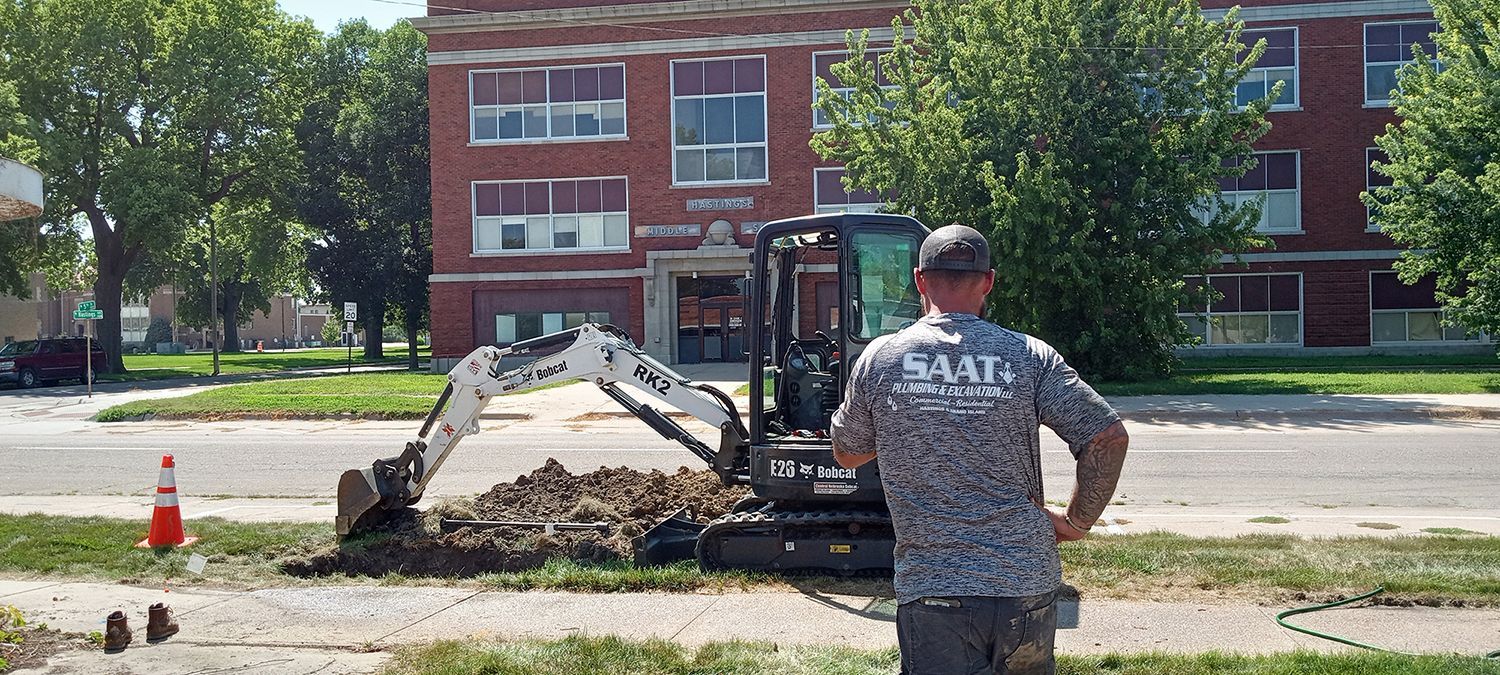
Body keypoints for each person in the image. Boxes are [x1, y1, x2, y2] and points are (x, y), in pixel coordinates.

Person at [830, 224, 1129, 675]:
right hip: (1024, 585)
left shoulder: (880, 358)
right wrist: (1077, 522)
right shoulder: (1030, 356)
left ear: (919, 279)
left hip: (934, 591)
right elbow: (1107, 436)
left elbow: (848, 453)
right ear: (988, 281)